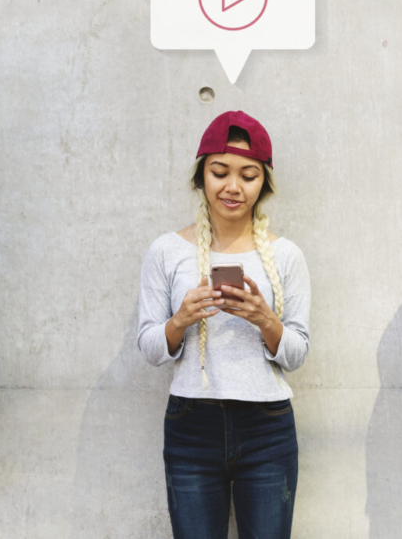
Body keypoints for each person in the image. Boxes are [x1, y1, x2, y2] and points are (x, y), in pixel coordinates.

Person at [136, 111, 311, 539]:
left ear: (263, 185)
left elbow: (298, 353)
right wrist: (180, 320)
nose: (233, 187)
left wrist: (265, 320)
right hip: (191, 425)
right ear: (201, 177)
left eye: (248, 176)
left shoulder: (286, 256)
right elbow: (150, 348)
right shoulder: (166, 251)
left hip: (267, 427)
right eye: (220, 172)